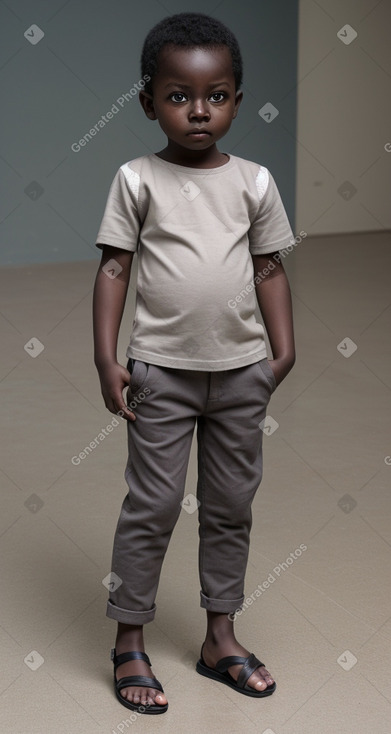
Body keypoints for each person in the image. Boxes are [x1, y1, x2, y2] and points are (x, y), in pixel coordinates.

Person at [93, 11, 295, 715]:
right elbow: (115, 269)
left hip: (240, 374)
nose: (199, 109)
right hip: (159, 374)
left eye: (216, 94)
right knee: (149, 507)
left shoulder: (254, 182)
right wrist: (105, 358)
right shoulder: (136, 179)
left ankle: (219, 636)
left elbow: (268, 267)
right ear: (149, 102)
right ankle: (128, 640)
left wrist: (282, 348)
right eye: (178, 95)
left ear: (237, 99)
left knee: (230, 506)